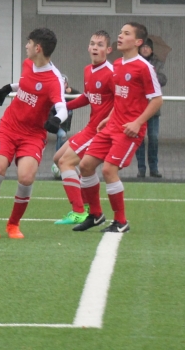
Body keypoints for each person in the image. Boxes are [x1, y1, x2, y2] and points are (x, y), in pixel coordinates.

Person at [73, 23, 163, 234]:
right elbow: (120, 97)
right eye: (121, 32)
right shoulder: (118, 64)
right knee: (85, 165)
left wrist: (138, 122)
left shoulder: (144, 67)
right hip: (112, 126)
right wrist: (109, 117)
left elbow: (157, 100)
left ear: (138, 42)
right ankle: (96, 215)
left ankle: (121, 222)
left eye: (126, 33)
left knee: (108, 170)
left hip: (129, 130)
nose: (120, 36)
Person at [0, 28, 67, 239]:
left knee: (26, 177)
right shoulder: (28, 63)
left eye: (29, 42)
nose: (26, 46)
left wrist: (56, 120)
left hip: (33, 135)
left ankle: (13, 225)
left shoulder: (54, 79)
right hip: (9, 127)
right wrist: (8, 88)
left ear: (38, 48)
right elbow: (27, 83)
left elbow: (62, 107)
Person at [51, 31, 115, 225]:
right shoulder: (88, 70)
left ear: (108, 50)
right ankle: (86, 206)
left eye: (100, 45)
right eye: (92, 43)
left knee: (65, 163)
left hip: (100, 131)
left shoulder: (112, 73)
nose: (95, 47)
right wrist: (64, 106)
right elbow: (87, 97)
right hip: (90, 128)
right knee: (57, 159)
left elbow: (122, 101)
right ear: (88, 47)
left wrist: (110, 121)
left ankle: (79, 211)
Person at [136, 38, 168, 178]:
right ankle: (141, 168)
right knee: (139, 138)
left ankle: (154, 168)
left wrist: (150, 76)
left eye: (147, 47)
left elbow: (163, 79)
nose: (145, 49)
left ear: (152, 50)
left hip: (153, 108)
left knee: (153, 138)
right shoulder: (134, 63)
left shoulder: (158, 64)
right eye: (143, 47)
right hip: (138, 108)